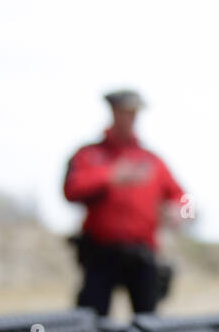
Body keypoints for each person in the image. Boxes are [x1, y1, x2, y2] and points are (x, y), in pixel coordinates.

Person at [63, 90, 187, 317]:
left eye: (133, 114)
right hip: (100, 252)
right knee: (91, 320)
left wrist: (181, 212)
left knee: (148, 321)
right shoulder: (89, 155)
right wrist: (109, 177)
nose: (129, 119)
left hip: (143, 254)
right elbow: (71, 190)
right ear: (112, 112)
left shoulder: (151, 160)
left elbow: (183, 197)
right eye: (124, 112)